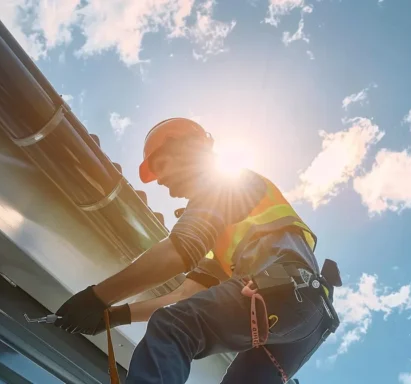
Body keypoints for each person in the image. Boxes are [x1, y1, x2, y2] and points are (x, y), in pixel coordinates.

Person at [53, 118, 341, 384]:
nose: (161, 181)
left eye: (162, 165)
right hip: (300, 316)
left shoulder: (226, 183)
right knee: (178, 322)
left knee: (172, 327)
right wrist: (111, 316)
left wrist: (96, 297)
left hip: (285, 289)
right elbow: (182, 296)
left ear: (187, 148)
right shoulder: (228, 241)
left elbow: (180, 251)